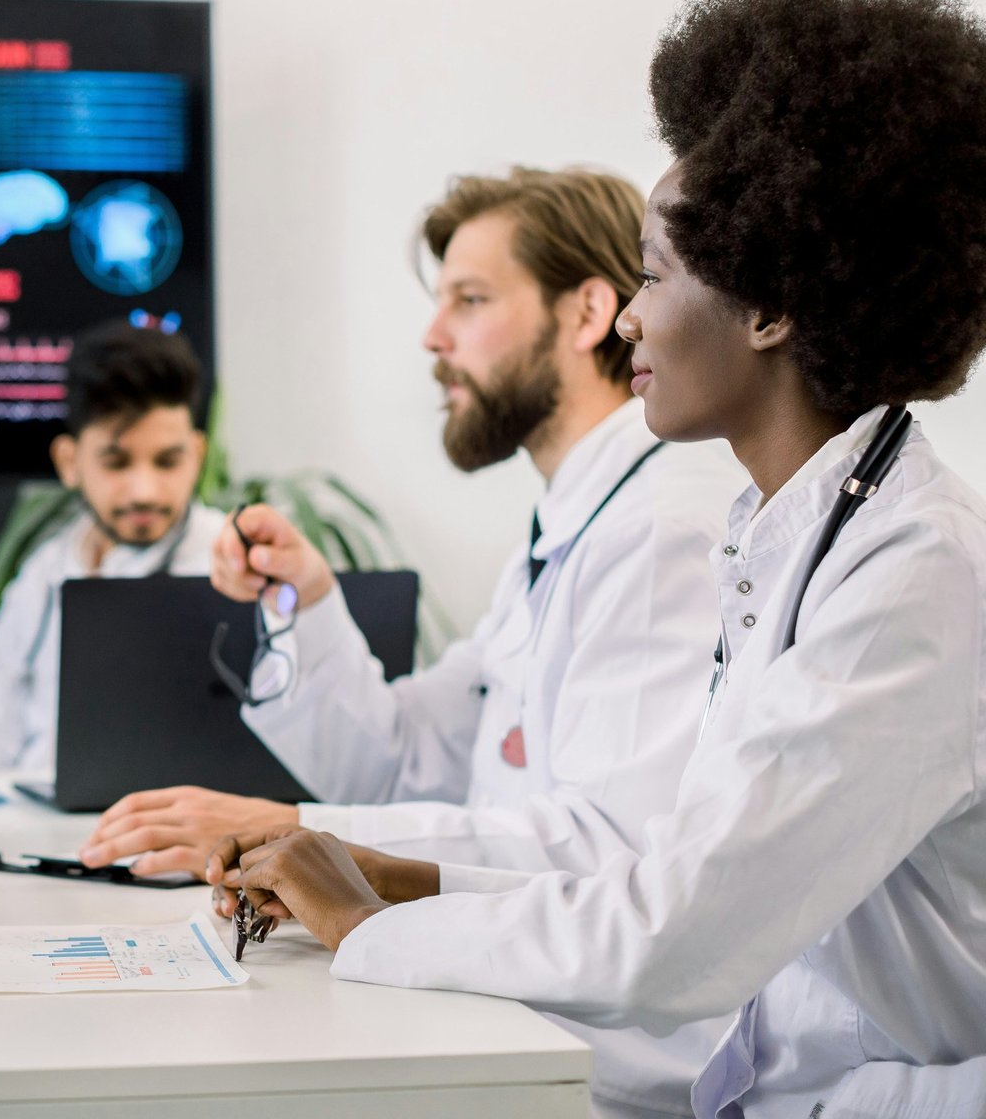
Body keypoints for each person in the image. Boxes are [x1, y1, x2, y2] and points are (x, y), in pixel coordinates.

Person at [214, 0, 986, 1119]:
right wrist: (408, 878)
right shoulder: (795, 533)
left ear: (774, 305)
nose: (629, 315)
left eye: (652, 276)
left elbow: (674, 936)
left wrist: (375, 921)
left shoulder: (915, 576)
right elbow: (674, 871)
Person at [82, 167, 742, 1118]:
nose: (434, 339)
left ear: (589, 310)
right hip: (524, 1019)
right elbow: (402, 755)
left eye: (470, 302)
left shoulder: (660, 529)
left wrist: (306, 838)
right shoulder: (571, 527)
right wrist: (307, 601)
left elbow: (615, 849)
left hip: (608, 1066)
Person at [0, 322, 225, 779]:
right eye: (117, 462)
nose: (146, 490)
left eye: (168, 461)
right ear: (70, 462)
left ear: (197, 456)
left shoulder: (233, 565)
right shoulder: (46, 568)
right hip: (34, 829)